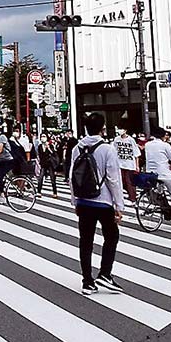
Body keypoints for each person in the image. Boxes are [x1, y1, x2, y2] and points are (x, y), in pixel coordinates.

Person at [70, 112, 125, 295]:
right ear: (103, 128)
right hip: (103, 201)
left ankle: (87, 281)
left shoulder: (77, 148)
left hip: (84, 201)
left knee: (85, 241)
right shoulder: (107, 149)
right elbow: (113, 179)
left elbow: (72, 177)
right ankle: (105, 274)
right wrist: (119, 206)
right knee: (111, 236)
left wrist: (75, 201)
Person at [144, 127, 171, 224]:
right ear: (162, 136)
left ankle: (167, 211)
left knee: (160, 193)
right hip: (163, 173)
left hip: (151, 174)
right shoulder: (165, 145)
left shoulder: (147, 145)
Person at [112, 128, 139, 203]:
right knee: (121, 181)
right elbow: (113, 151)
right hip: (120, 164)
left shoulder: (131, 140)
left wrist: (137, 166)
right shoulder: (116, 139)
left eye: (122, 129)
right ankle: (126, 195)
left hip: (129, 164)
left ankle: (133, 197)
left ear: (125, 130)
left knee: (129, 181)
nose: (119, 131)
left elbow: (136, 153)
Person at [36, 132, 60, 198]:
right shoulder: (40, 146)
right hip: (43, 164)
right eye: (41, 136)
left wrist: (48, 147)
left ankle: (55, 192)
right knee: (40, 178)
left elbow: (54, 153)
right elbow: (40, 155)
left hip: (50, 164)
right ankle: (38, 192)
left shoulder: (50, 145)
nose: (42, 138)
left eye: (44, 136)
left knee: (52, 179)